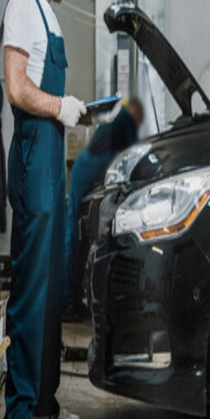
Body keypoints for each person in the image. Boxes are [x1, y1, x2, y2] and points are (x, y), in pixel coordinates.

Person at [1, 0, 93, 419]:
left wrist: (75, 113)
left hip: (52, 158)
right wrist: (61, 106)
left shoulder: (50, 17)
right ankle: (17, 414)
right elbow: (16, 88)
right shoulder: (22, 6)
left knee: (54, 284)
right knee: (32, 288)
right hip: (35, 156)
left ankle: (43, 404)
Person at [63, 99, 145, 317]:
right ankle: (68, 302)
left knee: (78, 242)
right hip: (85, 176)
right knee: (74, 241)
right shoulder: (123, 124)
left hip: (85, 175)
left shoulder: (118, 124)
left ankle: (73, 301)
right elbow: (129, 157)